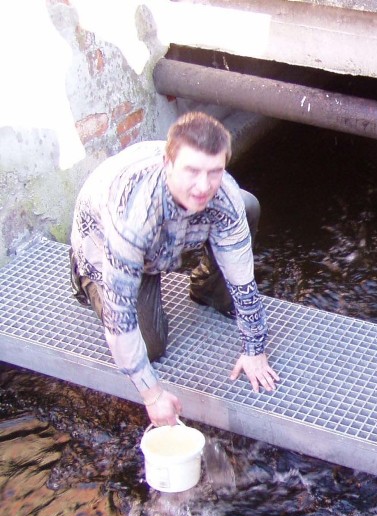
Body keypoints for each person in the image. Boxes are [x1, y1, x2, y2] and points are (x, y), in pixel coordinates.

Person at [69, 111, 280, 426]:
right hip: (105, 243)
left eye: (214, 172)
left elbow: (244, 281)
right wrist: (152, 396)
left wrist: (254, 349)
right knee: (150, 347)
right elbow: (120, 319)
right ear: (168, 165)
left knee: (246, 205)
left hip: (168, 239)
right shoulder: (133, 216)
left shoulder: (223, 196)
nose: (203, 186)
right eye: (192, 171)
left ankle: (207, 289)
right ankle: (84, 278)